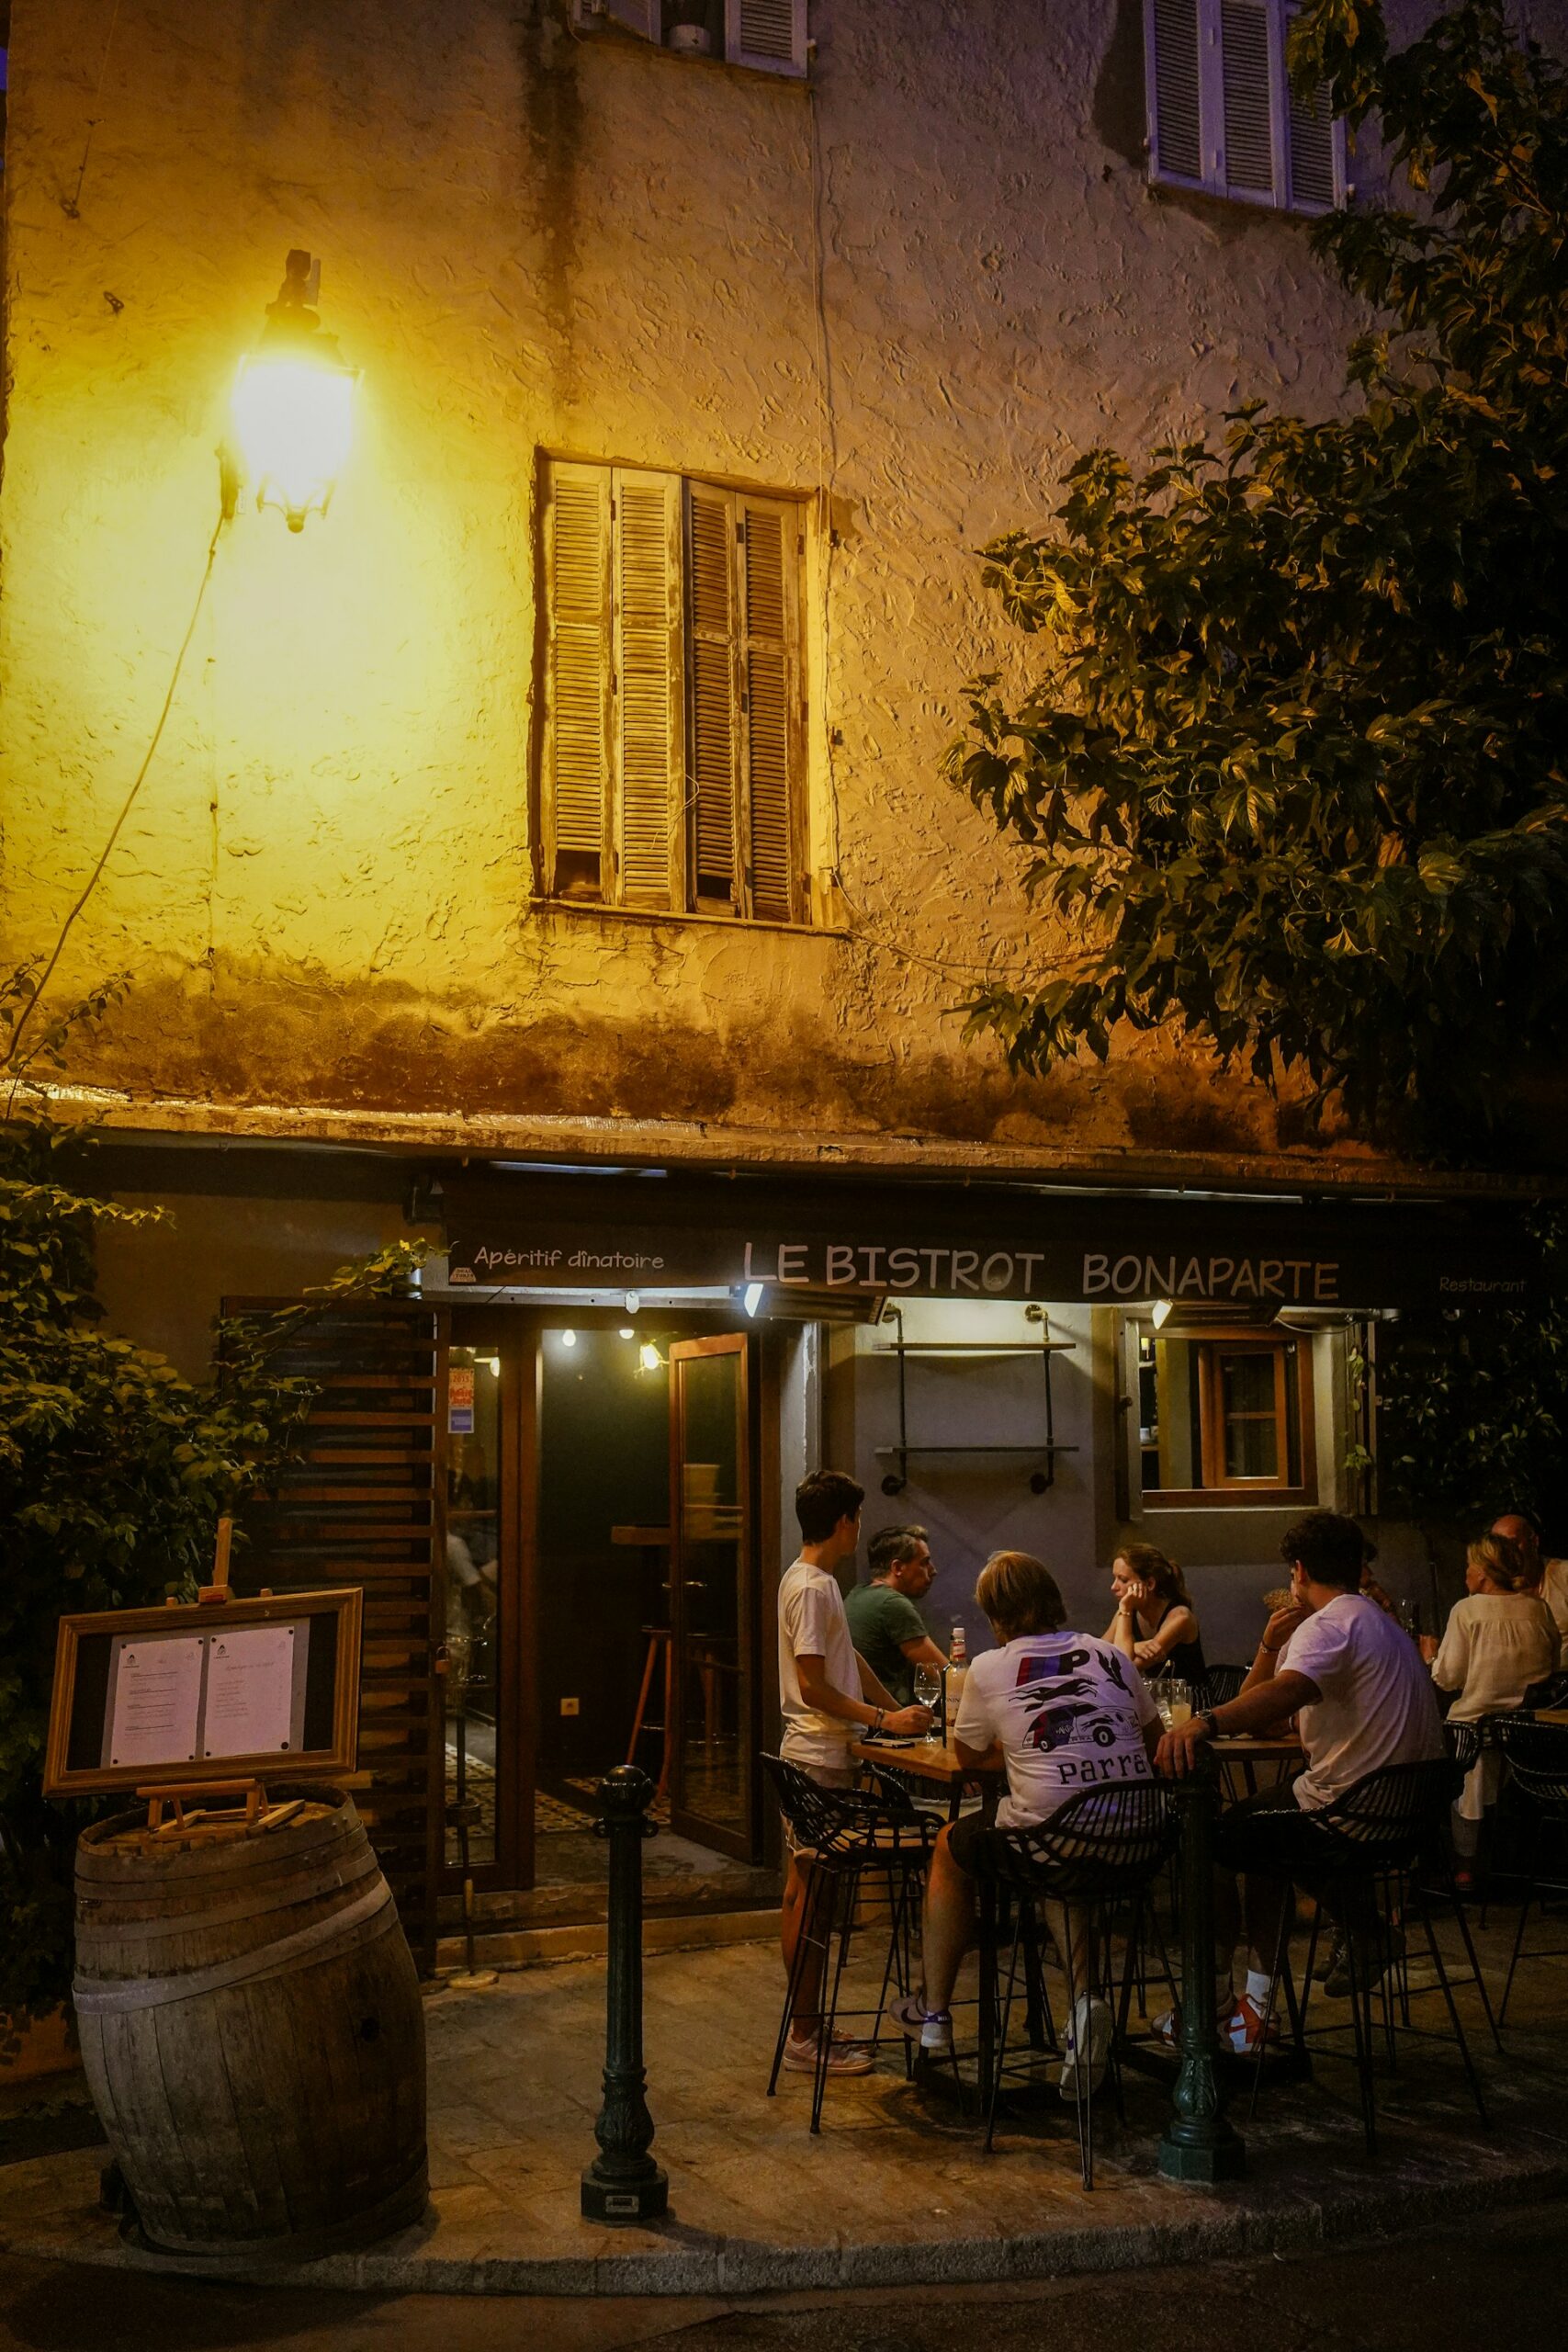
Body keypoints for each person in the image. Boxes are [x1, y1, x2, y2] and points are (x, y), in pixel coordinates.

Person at [1157, 1510, 1444, 2050]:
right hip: (1405, 1815)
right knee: (1263, 1832)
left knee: (1212, 1841)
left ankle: (1215, 2006)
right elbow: (1271, 1716)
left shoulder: (1330, 1624)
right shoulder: (1377, 1623)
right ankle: (1266, 2000)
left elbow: (1284, 1695)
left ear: (1299, 1570)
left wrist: (1207, 1722)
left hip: (1351, 1812)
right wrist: (1268, 1648)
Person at [888, 1550, 1160, 2098]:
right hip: (1141, 1838)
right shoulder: (1108, 1654)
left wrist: (1022, 1756)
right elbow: (1154, 1744)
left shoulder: (989, 1667)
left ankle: (935, 2011)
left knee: (953, 1842)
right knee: (1057, 1860)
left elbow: (964, 1756)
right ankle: (1084, 2004)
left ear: (994, 1614)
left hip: (1057, 1838)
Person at [776, 1469, 931, 2077]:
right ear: (845, 1522)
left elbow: (846, 1659)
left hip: (810, 1753)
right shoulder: (813, 1588)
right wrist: (881, 1721)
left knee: (805, 1891)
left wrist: (894, 1712)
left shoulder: (806, 1578)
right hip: (819, 1755)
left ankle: (805, 2024)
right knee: (811, 1898)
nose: (858, 1527)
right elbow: (815, 1686)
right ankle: (805, 2034)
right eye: (857, 1517)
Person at [1429, 1530, 1558, 1884]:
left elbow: (1447, 1677)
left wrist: (1430, 1657)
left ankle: (1462, 1862)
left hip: (1474, 1730)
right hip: (1528, 1735)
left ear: (1483, 1572)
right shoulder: (1538, 1609)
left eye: (1468, 1566)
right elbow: (1550, 1666)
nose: (1465, 1573)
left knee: (1434, 1744)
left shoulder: (1467, 1611)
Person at [844, 1525, 950, 1707]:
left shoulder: (857, 1594)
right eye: (924, 1563)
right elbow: (944, 1675)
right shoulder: (892, 1604)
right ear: (898, 1567)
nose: (933, 1570)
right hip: (885, 1725)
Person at [1104, 1542, 1206, 1685]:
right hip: (1157, 1700)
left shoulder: (1180, 1618)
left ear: (1150, 1584)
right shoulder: (1127, 1612)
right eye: (1115, 1578)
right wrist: (1135, 1647)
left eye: (1123, 1580)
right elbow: (1098, 1654)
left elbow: (1125, 1670)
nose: (1114, 1587)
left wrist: (1125, 1612)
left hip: (1187, 1701)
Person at [1491, 1508, 1568, 1668]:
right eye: (1499, 1547)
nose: (1507, 1553)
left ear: (1534, 1542)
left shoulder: (1563, 1575)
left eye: (1512, 1543)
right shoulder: (1491, 1590)